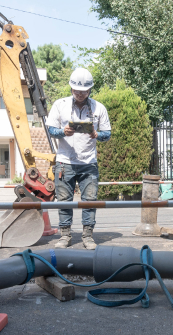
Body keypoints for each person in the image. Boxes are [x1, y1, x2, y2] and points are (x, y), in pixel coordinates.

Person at [45, 67, 112, 250]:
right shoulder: (60, 105)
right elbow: (50, 129)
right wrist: (62, 131)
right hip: (65, 161)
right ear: (71, 88)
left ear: (90, 89)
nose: (80, 94)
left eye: (84, 91)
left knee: (90, 200)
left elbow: (108, 133)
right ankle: (65, 236)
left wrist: (98, 135)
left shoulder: (99, 107)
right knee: (64, 200)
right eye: (76, 90)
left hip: (89, 162)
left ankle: (88, 237)